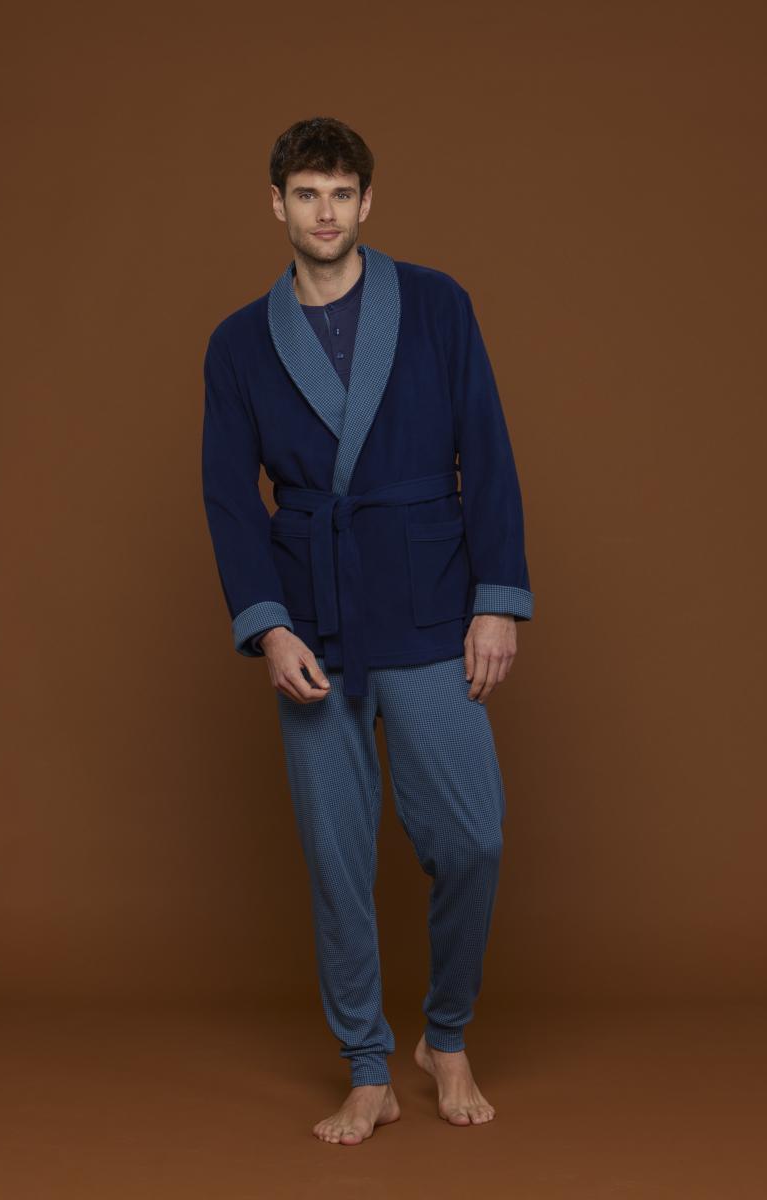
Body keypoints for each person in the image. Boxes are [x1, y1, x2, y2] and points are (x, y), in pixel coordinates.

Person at [201, 116, 535, 1145]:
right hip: (314, 620)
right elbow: (229, 499)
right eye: (306, 193)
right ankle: (366, 1066)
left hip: (430, 604)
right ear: (277, 205)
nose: (325, 211)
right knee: (337, 860)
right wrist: (268, 628)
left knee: (472, 839)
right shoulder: (238, 342)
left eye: (341, 192)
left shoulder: (436, 305)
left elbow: (486, 448)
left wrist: (496, 597)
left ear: (366, 201)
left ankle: (446, 1033)